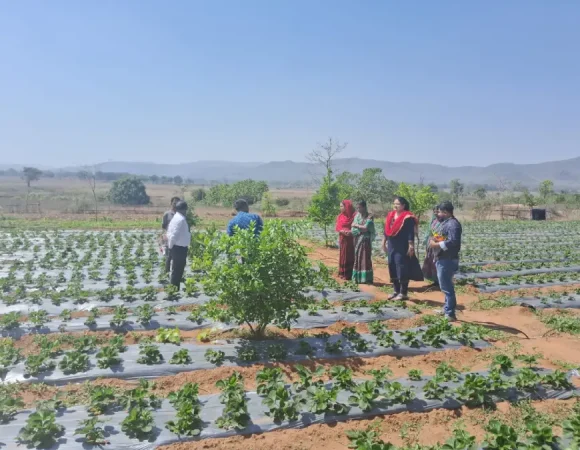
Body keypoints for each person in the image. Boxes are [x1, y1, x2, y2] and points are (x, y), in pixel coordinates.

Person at [428, 201, 462, 321]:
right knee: (445, 285)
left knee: (447, 287)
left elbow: (453, 242)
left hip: (447, 259)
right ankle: (447, 308)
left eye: (440, 212)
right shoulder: (446, 223)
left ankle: (450, 313)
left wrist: (436, 245)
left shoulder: (453, 224)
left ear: (446, 212)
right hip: (443, 258)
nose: (438, 214)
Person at [383, 196, 417, 300]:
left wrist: (411, 245)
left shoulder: (408, 217)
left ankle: (403, 293)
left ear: (403, 205)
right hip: (391, 245)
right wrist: (383, 242)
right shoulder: (391, 215)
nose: (395, 205)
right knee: (392, 265)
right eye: (394, 203)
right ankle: (395, 291)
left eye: (397, 204)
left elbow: (410, 233)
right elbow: (386, 230)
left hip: (402, 246)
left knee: (401, 267)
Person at [166, 200, 191, 289]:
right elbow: (173, 235)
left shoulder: (176, 217)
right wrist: (171, 246)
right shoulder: (180, 219)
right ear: (184, 210)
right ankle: (174, 289)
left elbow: (169, 232)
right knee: (177, 270)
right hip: (179, 248)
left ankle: (174, 289)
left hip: (177, 247)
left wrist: (171, 246)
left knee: (177, 270)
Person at [351, 200, 376, 284]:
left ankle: (366, 279)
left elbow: (366, 228)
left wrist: (357, 226)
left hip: (365, 240)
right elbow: (353, 227)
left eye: (360, 207)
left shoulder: (370, 216)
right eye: (357, 207)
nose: (358, 209)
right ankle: (357, 278)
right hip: (357, 239)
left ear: (364, 207)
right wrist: (358, 228)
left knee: (365, 258)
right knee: (357, 257)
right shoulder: (357, 216)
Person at [335, 200, 356, 280]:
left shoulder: (354, 216)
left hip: (351, 239)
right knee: (343, 254)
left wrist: (351, 232)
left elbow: (357, 226)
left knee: (350, 255)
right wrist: (342, 231)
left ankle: (349, 274)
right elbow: (338, 227)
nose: (340, 208)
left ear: (347, 207)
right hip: (343, 238)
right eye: (340, 206)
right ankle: (342, 272)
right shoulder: (340, 216)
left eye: (342, 206)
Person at [422, 206, 442, 285]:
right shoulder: (433, 221)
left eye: (437, 211)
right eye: (434, 211)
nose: (436, 213)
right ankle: (435, 280)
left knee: (437, 263)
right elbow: (429, 233)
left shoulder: (444, 222)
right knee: (431, 262)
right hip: (431, 245)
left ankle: (440, 281)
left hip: (438, 245)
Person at [161, 197, 180, 273]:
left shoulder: (181, 215)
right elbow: (163, 226)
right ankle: (166, 272)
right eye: (174, 203)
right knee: (168, 257)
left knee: (177, 258)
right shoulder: (167, 214)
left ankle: (175, 273)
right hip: (169, 238)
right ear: (171, 203)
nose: (175, 205)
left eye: (177, 203)